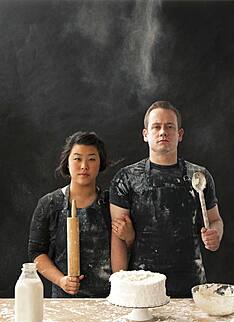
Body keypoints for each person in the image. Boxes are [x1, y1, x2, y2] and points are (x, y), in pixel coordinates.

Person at [109, 101, 224, 297]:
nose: (163, 132)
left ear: (179, 135)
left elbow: (215, 220)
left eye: (169, 127)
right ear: (145, 135)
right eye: (156, 127)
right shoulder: (126, 178)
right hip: (142, 286)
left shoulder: (199, 176)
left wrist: (215, 235)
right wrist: (121, 286)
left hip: (191, 285)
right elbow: (118, 236)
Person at [28, 131, 134, 298]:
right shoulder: (49, 203)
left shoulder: (112, 203)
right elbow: (36, 252)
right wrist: (61, 280)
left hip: (109, 299)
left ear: (100, 163)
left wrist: (129, 238)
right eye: (77, 158)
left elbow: (127, 250)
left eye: (92, 159)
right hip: (64, 301)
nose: (84, 166)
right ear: (67, 162)